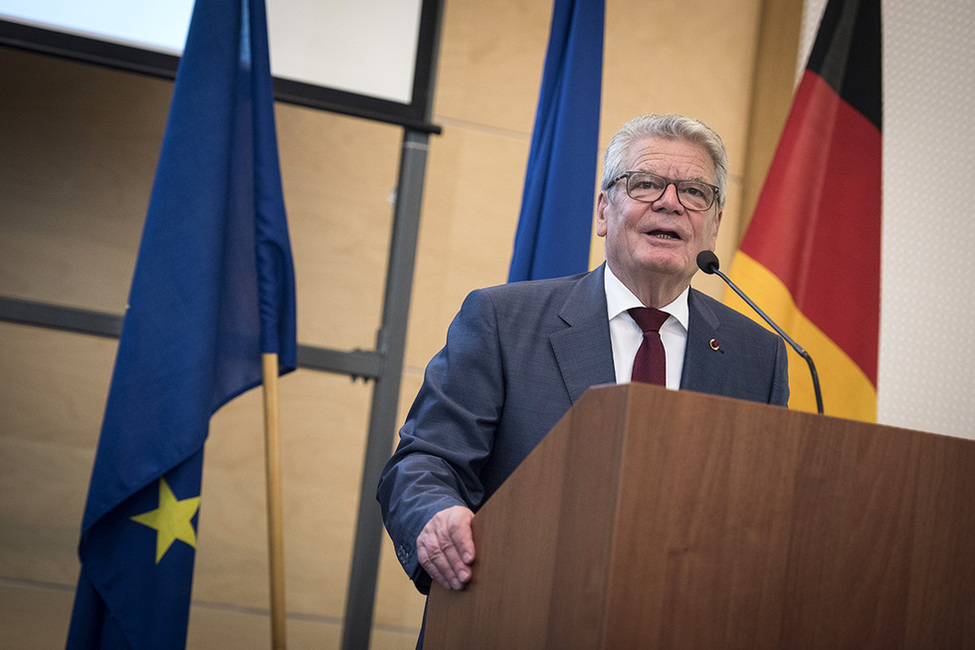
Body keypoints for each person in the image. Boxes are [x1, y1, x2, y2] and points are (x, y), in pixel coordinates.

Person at [377, 114, 789, 601]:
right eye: (646, 184)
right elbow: (424, 461)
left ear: (714, 226)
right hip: (518, 608)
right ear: (602, 211)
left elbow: (766, 512)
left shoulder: (758, 355)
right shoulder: (502, 320)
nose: (670, 203)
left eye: (694, 192)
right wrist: (435, 514)